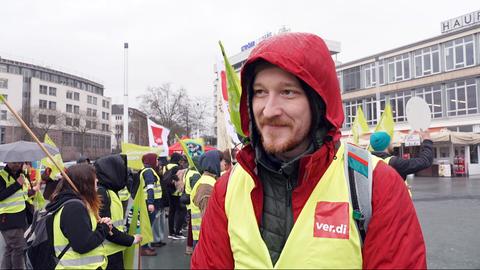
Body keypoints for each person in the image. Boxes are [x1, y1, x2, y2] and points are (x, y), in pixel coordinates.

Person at [191, 32, 426, 269]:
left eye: (287, 92)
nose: (269, 109)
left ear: (318, 104)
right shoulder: (228, 189)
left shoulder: (375, 185)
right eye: (260, 92)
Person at [46, 164, 111, 269]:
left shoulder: (76, 204)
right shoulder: (74, 207)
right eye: (94, 178)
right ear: (85, 182)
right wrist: (104, 228)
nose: (97, 180)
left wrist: (99, 225)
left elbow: (82, 234)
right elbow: (82, 245)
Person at [94, 154, 142, 269]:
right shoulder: (102, 193)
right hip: (107, 255)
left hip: (114, 250)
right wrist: (131, 239)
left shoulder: (109, 191)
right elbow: (105, 228)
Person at [190, 150, 223, 249]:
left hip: (202, 234)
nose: (223, 164)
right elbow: (208, 215)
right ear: (214, 163)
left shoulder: (207, 180)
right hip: (205, 236)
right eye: (220, 160)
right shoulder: (207, 184)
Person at [0, 162, 28, 269]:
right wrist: (17, 184)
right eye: (14, 162)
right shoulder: (1, 175)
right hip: (8, 218)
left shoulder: (20, 174)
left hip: (19, 216)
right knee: (18, 248)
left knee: (10, 248)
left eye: (19, 162)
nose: (17, 164)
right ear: (8, 161)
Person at [139, 153, 162, 256]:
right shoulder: (148, 171)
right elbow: (150, 188)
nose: (158, 162)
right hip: (148, 202)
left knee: (147, 225)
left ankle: (145, 246)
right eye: (156, 160)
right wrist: (151, 203)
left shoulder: (149, 170)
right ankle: (143, 248)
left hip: (148, 202)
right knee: (146, 226)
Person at [164, 153, 187, 240]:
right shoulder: (178, 168)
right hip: (176, 192)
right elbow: (180, 180)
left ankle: (171, 232)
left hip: (168, 191)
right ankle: (178, 232)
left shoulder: (165, 167)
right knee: (181, 211)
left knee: (172, 212)